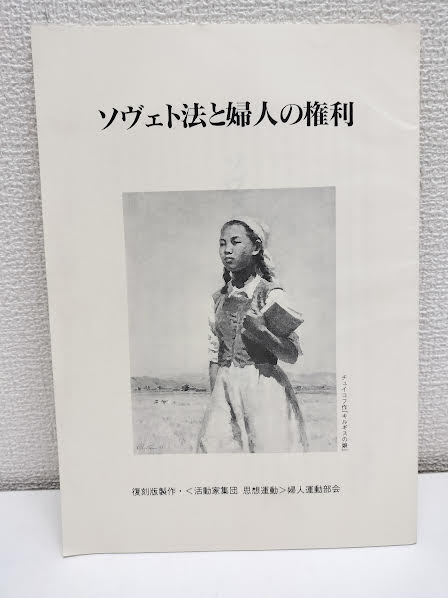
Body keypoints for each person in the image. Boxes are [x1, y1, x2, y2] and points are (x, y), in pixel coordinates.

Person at [196, 217, 308, 453]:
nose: (227, 250)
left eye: (235, 242)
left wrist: (262, 332)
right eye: (222, 243)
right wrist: (216, 400)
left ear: (256, 247)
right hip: (224, 393)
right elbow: (215, 356)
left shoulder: (272, 295)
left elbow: (291, 354)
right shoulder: (217, 300)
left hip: (265, 392)